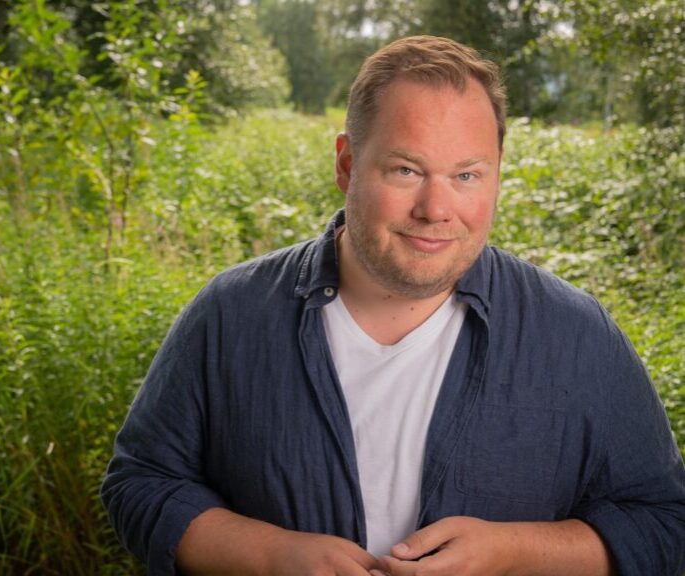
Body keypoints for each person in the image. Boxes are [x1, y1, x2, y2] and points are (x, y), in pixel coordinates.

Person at [101, 35, 685, 575]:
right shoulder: (229, 315)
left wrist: (514, 552)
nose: (436, 208)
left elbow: (665, 523)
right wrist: (271, 556)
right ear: (347, 163)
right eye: (406, 169)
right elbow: (143, 483)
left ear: (497, 176)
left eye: (467, 175)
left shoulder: (579, 334)